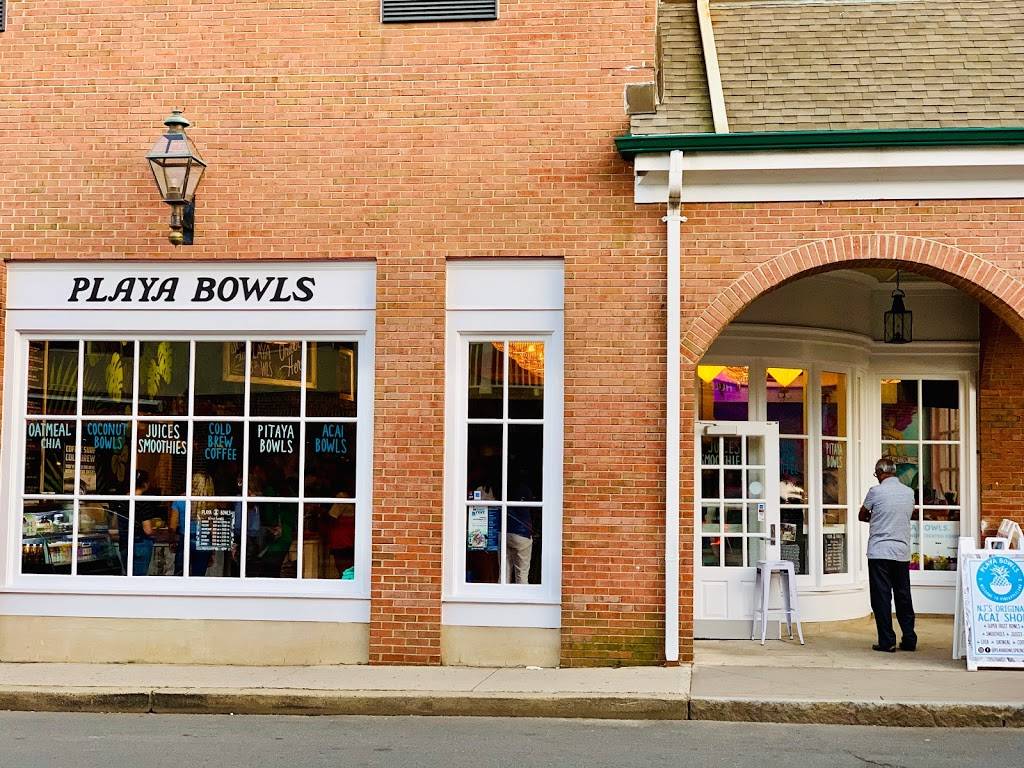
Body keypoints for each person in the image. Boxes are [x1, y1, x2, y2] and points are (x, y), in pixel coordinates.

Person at [859, 457, 917, 653]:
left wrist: (877, 519)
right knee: (903, 595)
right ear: (894, 472)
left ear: (879, 473)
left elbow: (862, 515)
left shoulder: (875, 491)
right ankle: (909, 638)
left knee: (881, 597)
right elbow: (909, 513)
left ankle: (887, 641)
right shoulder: (908, 492)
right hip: (901, 552)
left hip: (880, 552)